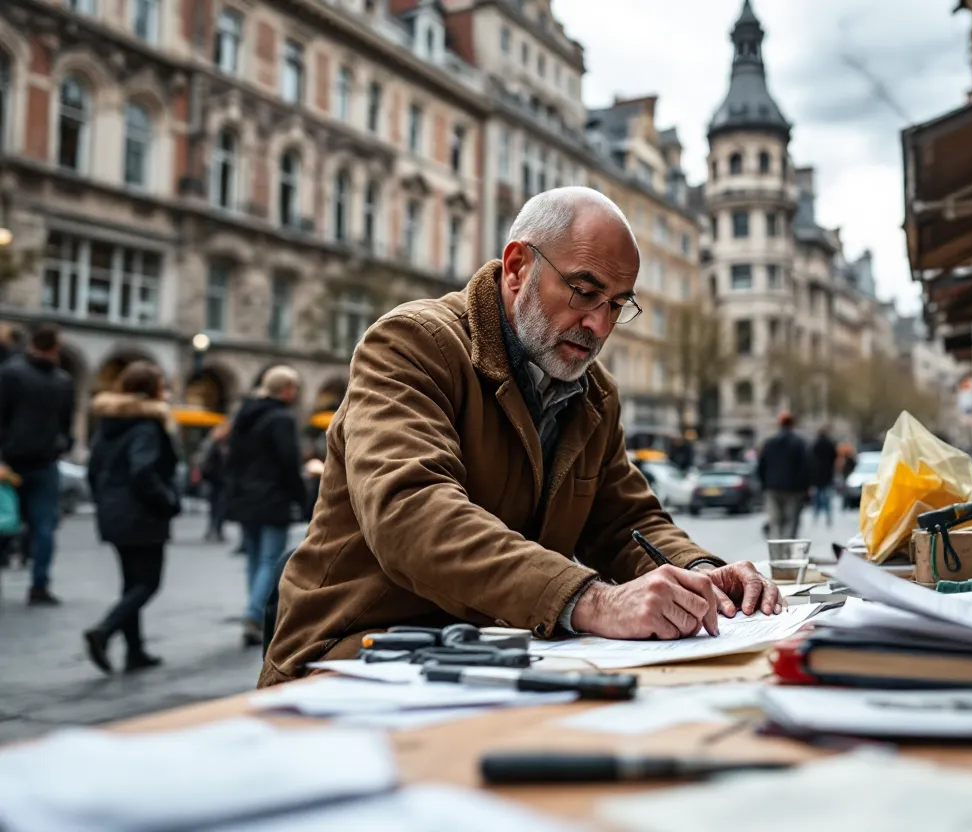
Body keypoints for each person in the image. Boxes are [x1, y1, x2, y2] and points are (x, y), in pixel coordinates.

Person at [259, 187, 783, 687]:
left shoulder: (595, 393)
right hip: (351, 658)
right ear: (516, 268)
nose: (599, 324)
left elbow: (627, 522)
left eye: (618, 304)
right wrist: (593, 600)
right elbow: (410, 511)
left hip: (485, 658)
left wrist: (701, 575)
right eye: (584, 291)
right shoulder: (412, 342)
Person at [82, 361, 180, 673]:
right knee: (148, 583)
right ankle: (104, 631)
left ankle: (135, 652)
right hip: (143, 513)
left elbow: (92, 470)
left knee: (131, 583)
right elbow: (142, 471)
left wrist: (105, 501)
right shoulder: (147, 426)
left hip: (114, 510)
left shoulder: (108, 424)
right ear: (152, 389)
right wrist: (167, 501)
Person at [226, 366, 307, 648]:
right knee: (269, 560)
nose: (295, 393)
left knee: (254, 558)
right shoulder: (282, 419)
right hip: (273, 497)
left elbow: (232, 459)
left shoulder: (243, 416)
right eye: (294, 388)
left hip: (244, 497)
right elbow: (289, 463)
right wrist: (302, 498)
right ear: (285, 389)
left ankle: (255, 613)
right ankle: (254, 615)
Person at [0, 323, 75, 604]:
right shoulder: (62, 380)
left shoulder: (10, 373)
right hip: (44, 461)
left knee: (4, 520)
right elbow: (67, 424)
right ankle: (39, 584)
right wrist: (61, 446)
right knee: (44, 526)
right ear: (54, 347)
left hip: (11, 461)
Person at [756, 412, 811, 540]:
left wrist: (764, 485)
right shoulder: (799, 443)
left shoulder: (769, 442)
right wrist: (805, 487)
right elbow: (806, 467)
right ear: (792, 424)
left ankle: (777, 550)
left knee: (775, 521)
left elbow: (761, 466)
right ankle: (788, 550)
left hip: (773, 488)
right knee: (791, 522)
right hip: (794, 489)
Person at [199, 422, 230, 543]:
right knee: (216, 506)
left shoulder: (217, 444)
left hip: (218, 480)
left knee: (218, 506)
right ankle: (214, 529)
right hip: (215, 479)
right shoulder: (214, 445)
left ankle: (215, 529)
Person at [809, 426, 839, 526]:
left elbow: (810, 458)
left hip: (816, 476)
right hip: (827, 475)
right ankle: (828, 516)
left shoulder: (815, 445)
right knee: (827, 497)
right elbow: (834, 458)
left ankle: (815, 516)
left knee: (817, 497)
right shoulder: (830, 444)